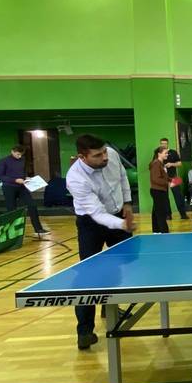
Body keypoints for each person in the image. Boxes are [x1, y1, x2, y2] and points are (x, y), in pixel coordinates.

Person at [66, 134, 134, 350]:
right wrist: (123, 224)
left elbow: (122, 176)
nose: (104, 157)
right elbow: (97, 214)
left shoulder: (111, 154)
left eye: (104, 151)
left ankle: (109, 307)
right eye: (97, 155)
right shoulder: (76, 179)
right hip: (91, 224)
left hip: (118, 213)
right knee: (88, 276)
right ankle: (85, 331)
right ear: (82, 157)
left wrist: (128, 203)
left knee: (125, 262)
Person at [0, 145, 49, 235]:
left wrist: (26, 177)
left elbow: (22, 172)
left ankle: (38, 229)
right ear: (12, 151)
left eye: (21, 155)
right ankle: (12, 233)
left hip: (21, 187)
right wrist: (15, 180)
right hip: (9, 187)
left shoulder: (22, 160)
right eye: (18, 154)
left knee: (32, 205)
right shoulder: (3, 161)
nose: (19, 156)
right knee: (11, 209)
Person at [158, 138, 188, 220]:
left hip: (173, 177)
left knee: (178, 195)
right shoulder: (158, 153)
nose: (163, 145)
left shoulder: (173, 152)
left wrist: (171, 164)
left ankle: (183, 214)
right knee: (164, 197)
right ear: (160, 144)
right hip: (162, 178)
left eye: (165, 143)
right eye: (162, 143)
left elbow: (179, 163)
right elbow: (155, 164)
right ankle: (168, 215)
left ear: (168, 144)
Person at [148, 146, 170, 234]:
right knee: (161, 213)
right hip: (158, 191)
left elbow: (163, 177)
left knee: (156, 211)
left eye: (167, 153)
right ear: (159, 154)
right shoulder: (156, 163)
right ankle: (165, 232)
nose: (167, 154)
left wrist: (172, 180)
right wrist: (167, 183)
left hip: (159, 190)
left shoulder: (161, 163)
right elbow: (155, 179)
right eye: (165, 153)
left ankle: (156, 231)